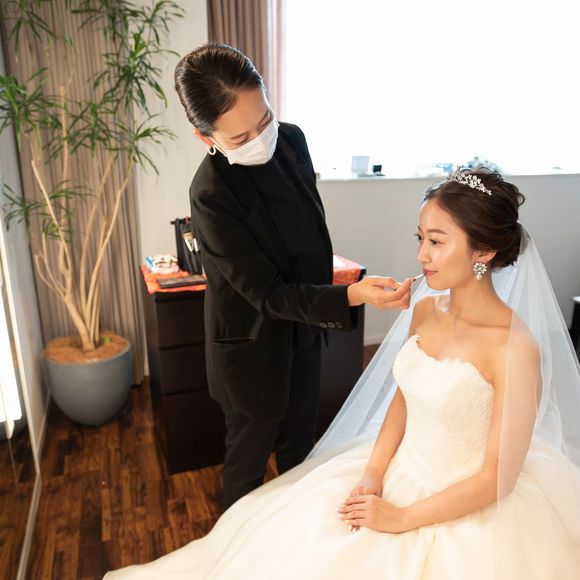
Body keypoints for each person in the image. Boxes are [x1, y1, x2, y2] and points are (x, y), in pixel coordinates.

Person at [104, 169, 580, 579]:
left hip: (466, 501)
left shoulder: (515, 348)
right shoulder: (425, 311)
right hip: (395, 468)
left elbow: (498, 477)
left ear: (485, 252)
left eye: (437, 242)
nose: (422, 256)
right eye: (420, 238)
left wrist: (402, 517)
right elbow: (405, 401)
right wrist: (373, 473)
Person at [172, 44, 413, 509]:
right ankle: (239, 543)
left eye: (264, 120)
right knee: (246, 468)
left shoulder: (293, 141)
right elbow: (268, 293)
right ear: (206, 137)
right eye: (240, 137)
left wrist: (333, 297)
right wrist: (351, 295)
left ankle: (296, 531)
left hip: (303, 332)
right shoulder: (211, 194)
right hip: (251, 349)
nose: (261, 139)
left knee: (299, 453)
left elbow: (309, 236)